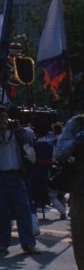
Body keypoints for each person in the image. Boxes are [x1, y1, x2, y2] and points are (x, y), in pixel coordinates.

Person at [0, 105, 38, 254]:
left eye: (5, 116)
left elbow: (31, 135)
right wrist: (1, 130)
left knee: (23, 210)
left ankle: (27, 243)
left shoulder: (15, 131)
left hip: (17, 175)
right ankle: (3, 243)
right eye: (1, 116)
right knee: (1, 212)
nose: (4, 119)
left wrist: (18, 128)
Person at [54, 110, 84, 268]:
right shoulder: (77, 123)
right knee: (81, 247)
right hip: (80, 194)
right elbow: (59, 153)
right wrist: (76, 142)